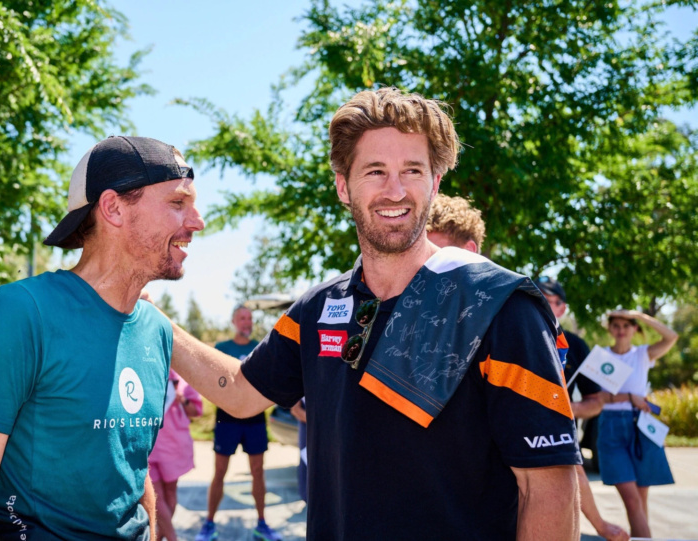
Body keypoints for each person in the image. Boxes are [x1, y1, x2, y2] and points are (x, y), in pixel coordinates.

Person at [170, 88, 581, 539]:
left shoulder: (500, 308)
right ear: (344, 187)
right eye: (375, 171)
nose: (396, 190)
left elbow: (548, 489)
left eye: (412, 170)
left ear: (435, 183)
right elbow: (242, 394)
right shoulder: (318, 308)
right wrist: (153, 324)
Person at [0, 135, 205, 540]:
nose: (197, 221)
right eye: (178, 203)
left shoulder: (157, 329)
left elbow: (132, 467)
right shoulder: (20, 312)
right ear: (112, 208)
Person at [429, 197, 629, 541]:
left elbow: (595, 402)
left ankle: (604, 526)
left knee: (562, 472)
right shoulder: (422, 327)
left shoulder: (526, 324)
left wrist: (557, 410)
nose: (426, 269)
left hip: (541, 447)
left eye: (551, 301)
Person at [196, 305, 281, 541]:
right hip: (227, 420)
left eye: (250, 319)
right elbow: (211, 384)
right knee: (220, 472)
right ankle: (209, 525)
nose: (247, 322)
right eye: (242, 318)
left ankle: (262, 525)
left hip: (254, 420)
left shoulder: (260, 347)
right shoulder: (222, 349)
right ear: (234, 321)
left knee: (257, 472)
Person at [595, 309, 678, 538]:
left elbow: (671, 337)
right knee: (632, 502)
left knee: (640, 503)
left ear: (634, 329)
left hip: (641, 427)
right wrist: (629, 397)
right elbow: (597, 399)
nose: (621, 330)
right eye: (616, 325)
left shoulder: (643, 354)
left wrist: (639, 316)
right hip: (610, 427)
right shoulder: (600, 356)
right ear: (610, 328)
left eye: (626, 325)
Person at [148, 369, 202, 541]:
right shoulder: (146, 371)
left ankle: (158, 536)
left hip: (174, 444)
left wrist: (182, 399)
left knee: (170, 492)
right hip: (147, 443)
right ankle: (172, 537)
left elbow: (196, 412)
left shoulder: (183, 376)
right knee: (154, 495)